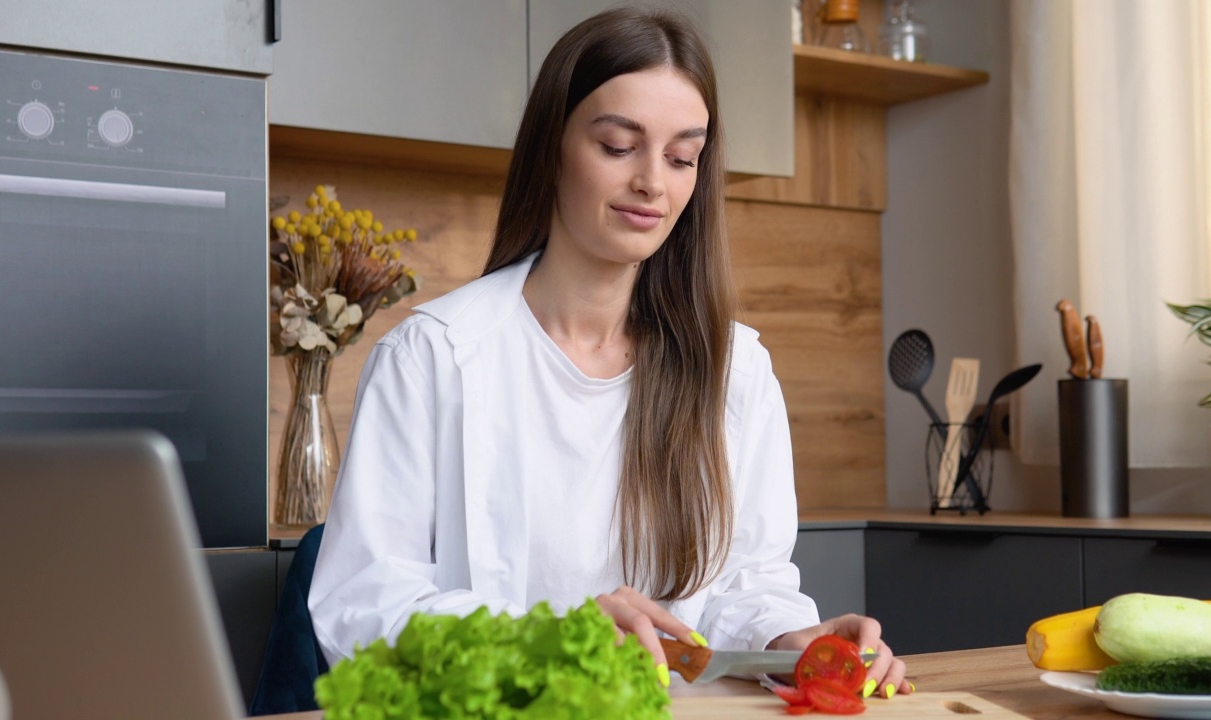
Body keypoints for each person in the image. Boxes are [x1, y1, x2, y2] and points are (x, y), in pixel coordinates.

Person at [309, 6, 911, 697]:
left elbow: (747, 585)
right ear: (552, 149)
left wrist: (790, 642)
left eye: (683, 157)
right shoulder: (433, 357)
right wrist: (552, 637)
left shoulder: (734, 372)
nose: (654, 182)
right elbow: (361, 610)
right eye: (619, 146)